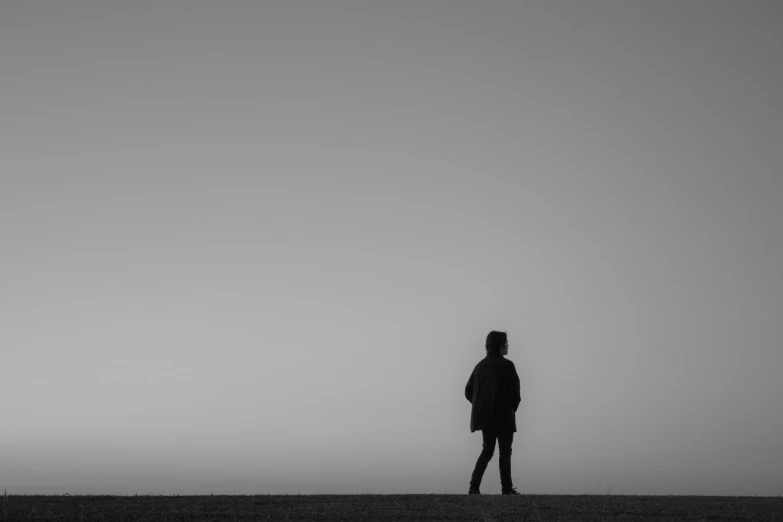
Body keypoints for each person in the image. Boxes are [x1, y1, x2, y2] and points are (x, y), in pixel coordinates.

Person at [465, 330, 521, 495]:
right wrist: (511, 409)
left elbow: (468, 391)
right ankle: (507, 489)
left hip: (486, 417)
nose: (508, 345)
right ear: (500, 345)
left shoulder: (479, 367)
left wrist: (480, 406)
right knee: (505, 453)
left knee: (487, 450)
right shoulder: (508, 365)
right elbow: (515, 393)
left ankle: (474, 486)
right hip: (504, 416)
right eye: (506, 342)